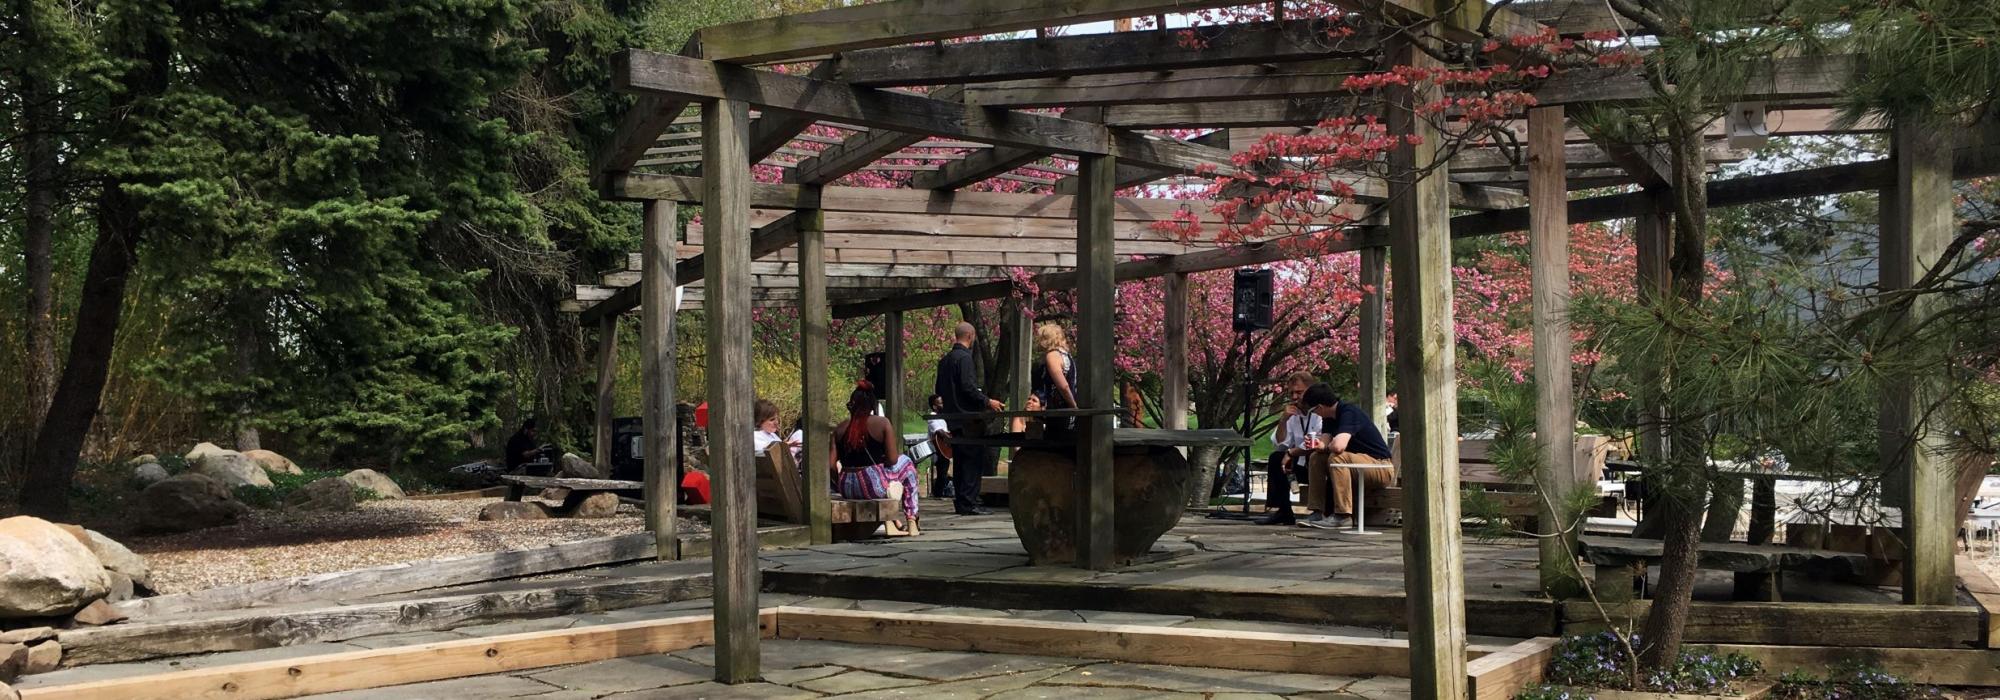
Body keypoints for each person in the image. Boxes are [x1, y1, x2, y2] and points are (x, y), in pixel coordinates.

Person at [1298, 384, 1397, 529]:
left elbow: (1338, 446)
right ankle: (1317, 511)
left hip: (1380, 467)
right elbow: (1325, 443)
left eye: (1313, 411)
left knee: (1337, 458)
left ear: (1320, 407)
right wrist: (1318, 445)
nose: (1316, 415)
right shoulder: (1329, 418)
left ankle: (1343, 516)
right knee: (1316, 457)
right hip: (1357, 464)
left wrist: (1328, 446)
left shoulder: (1349, 412)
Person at [935, 321, 1003, 515]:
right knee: (972, 460)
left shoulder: (945, 360)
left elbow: (939, 390)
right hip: (968, 417)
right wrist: (988, 401)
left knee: (960, 461)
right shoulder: (964, 359)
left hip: (953, 417)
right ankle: (969, 502)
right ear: (970, 336)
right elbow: (968, 387)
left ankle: (962, 501)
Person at [829, 383, 920, 526]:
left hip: (847, 487)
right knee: (907, 463)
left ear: (851, 405)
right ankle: (912, 517)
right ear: (873, 405)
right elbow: (892, 459)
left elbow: (831, 466)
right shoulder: (882, 423)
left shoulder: (839, 428)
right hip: (872, 485)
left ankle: (893, 520)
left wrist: (841, 483)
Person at [1254, 372, 1322, 526]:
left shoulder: (1320, 413)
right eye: (1292, 393)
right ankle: (1283, 511)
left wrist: (1292, 452)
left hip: (1318, 463)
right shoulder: (1293, 415)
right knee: (1276, 458)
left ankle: (1321, 511)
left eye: (1299, 392)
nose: (1295, 397)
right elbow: (1280, 444)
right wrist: (1283, 421)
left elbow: (1318, 440)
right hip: (1300, 464)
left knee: (1313, 458)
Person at [1029, 323, 1079, 436]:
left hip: (1061, 409)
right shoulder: (1067, 356)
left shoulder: (1052, 356)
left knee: (1057, 442)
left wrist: (1073, 406)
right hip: (1065, 409)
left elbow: (1063, 386)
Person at [925, 394, 954, 498]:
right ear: (934, 406)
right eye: (940, 403)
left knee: (944, 471)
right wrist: (951, 439)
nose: (943, 405)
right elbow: (939, 432)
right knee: (942, 472)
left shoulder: (943, 417)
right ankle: (938, 493)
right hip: (938, 449)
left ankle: (940, 492)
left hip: (945, 448)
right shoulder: (932, 416)